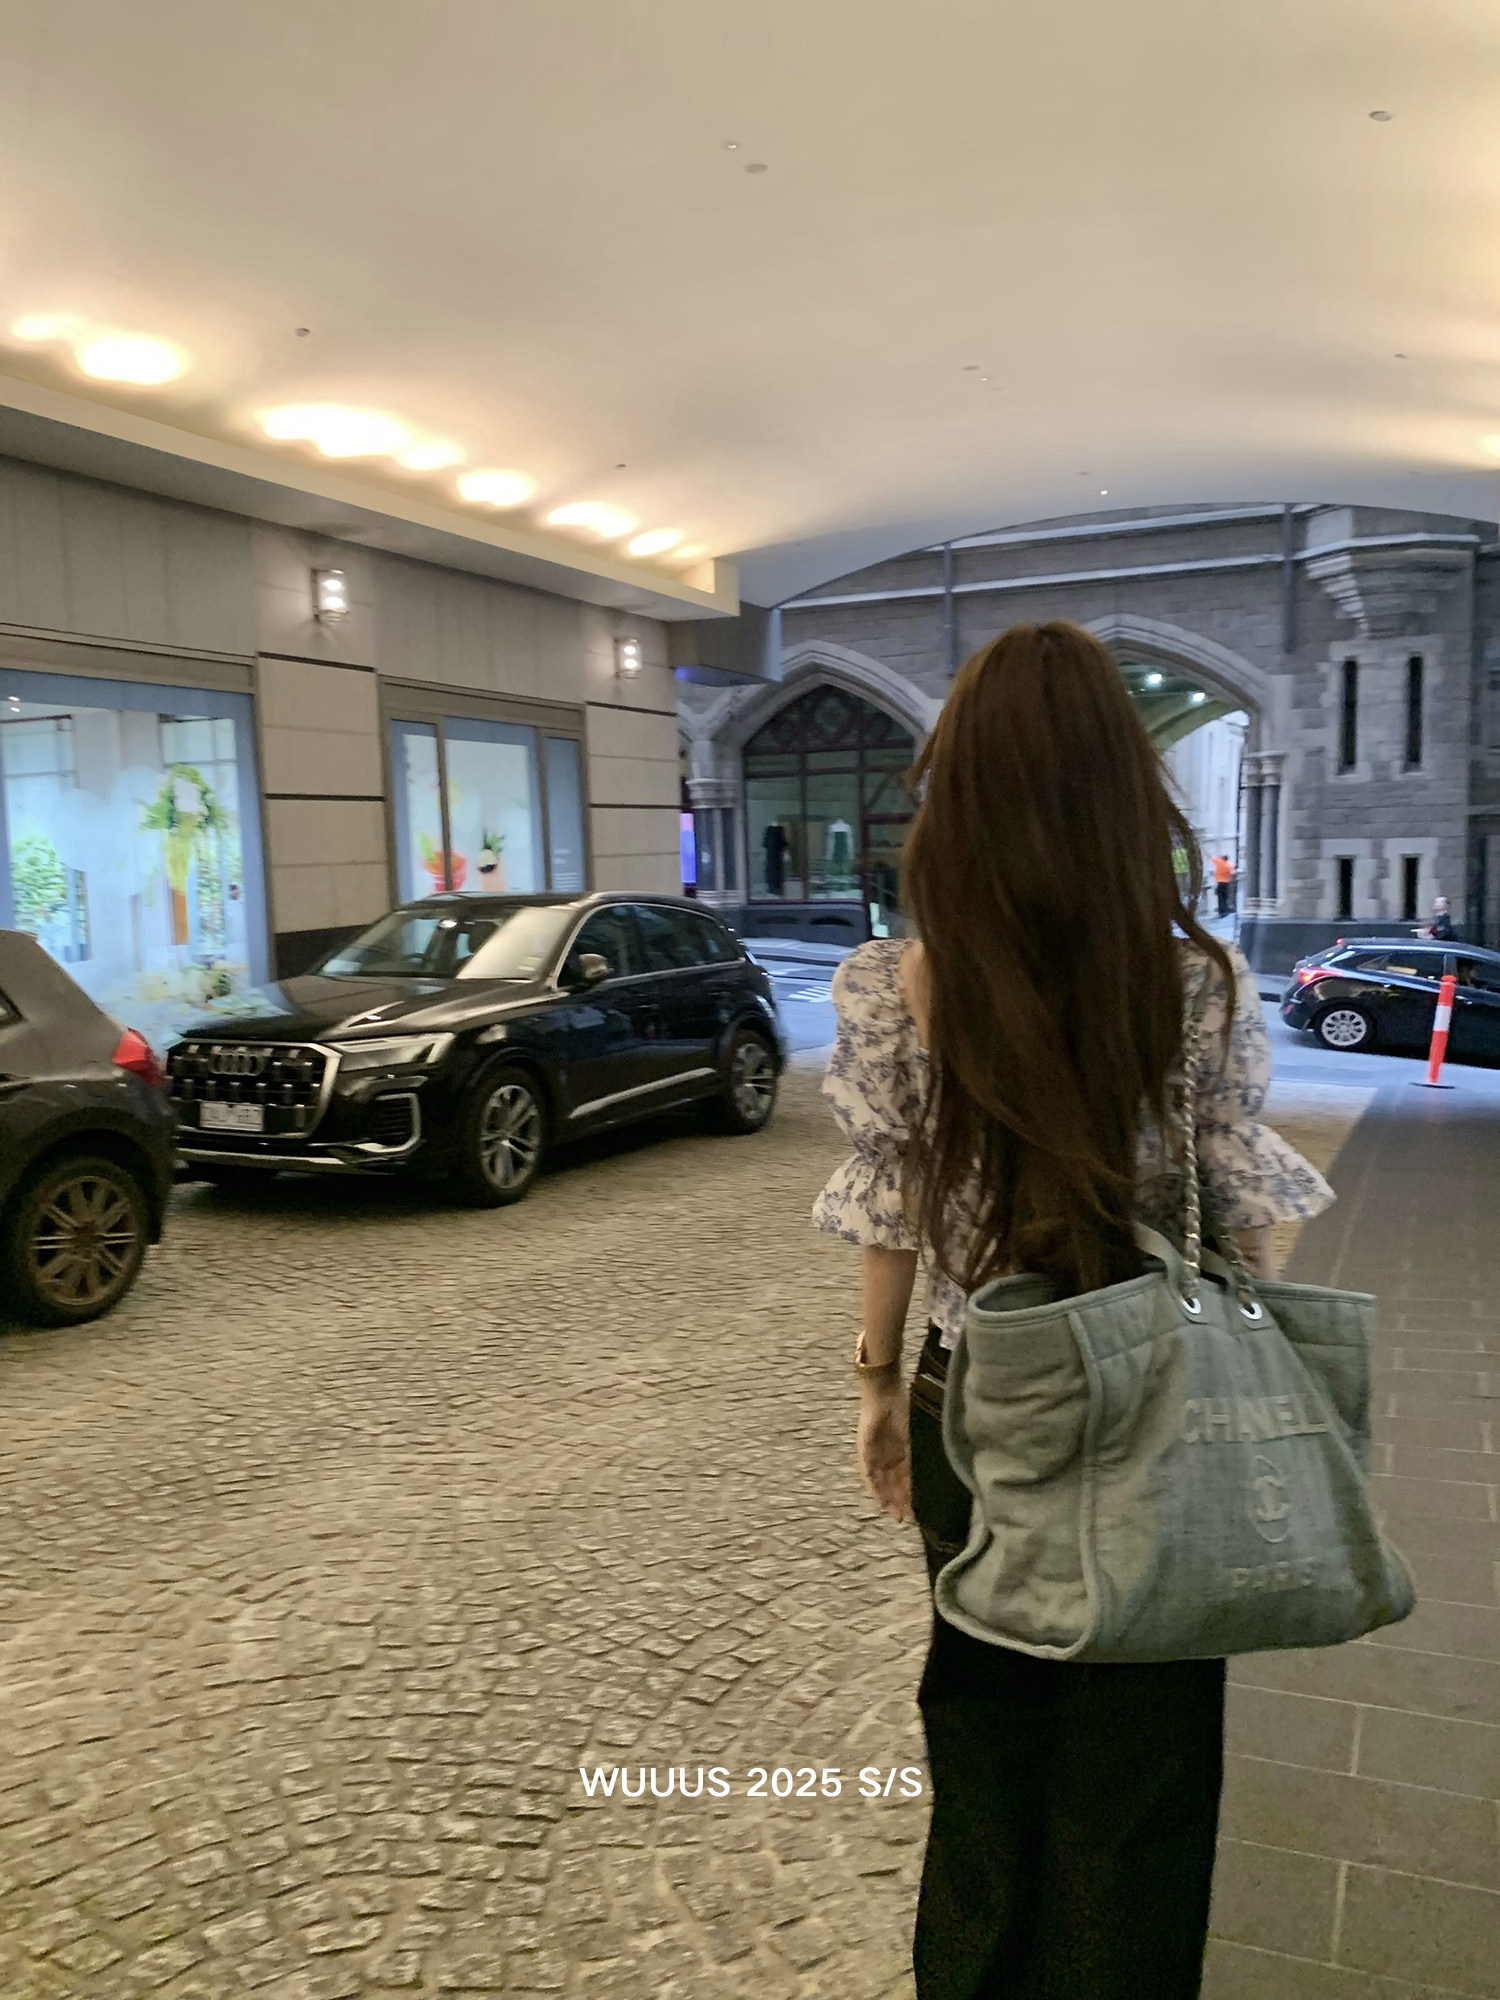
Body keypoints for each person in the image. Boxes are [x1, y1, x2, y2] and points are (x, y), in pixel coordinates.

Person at [812, 621, 1334, 2000]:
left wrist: (877, 1385)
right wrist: (1260, 1366)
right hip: (1160, 1400)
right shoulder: (1196, 982)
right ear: (1124, 790)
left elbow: (891, 1209)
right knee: (1145, 1769)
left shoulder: (895, 983)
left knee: (984, 1738)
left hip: (972, 1400)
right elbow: (1242, 1215)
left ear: (960, 792)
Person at [1212, 851, 1234, 918]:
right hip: (1226, 883)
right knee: (1225, 898)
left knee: (1220, 898)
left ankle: (1221, 912)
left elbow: (1212, 858)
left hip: (1220, 883)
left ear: (1222, 858)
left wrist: (1219, 858)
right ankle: (1225, 911)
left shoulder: (1219, 862)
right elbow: (1232, 872)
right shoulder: (1229, 865)